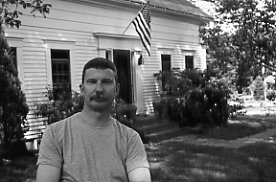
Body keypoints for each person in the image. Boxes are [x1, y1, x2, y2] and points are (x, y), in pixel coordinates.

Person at [36, 57, 151, 182]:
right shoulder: (54, 134)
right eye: (92, 81)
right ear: (82, 89)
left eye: (106, 82)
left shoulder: (130, 139)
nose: (99, 89)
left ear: (117, 89)